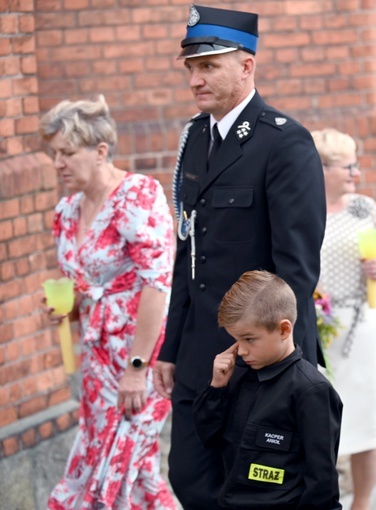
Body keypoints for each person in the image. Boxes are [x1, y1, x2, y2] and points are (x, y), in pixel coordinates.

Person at [153, 5, 327, 508]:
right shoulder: (195, 139)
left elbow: (295, 269)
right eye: (190, 68)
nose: (195, 80)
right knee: (189, 479)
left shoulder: (284, 142)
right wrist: (170, 347)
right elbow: (189, 256)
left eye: (208, 66)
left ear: (246, 66)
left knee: (258, 493)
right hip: (198, 359)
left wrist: (275, 359)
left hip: (258, 359)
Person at [40, 96, 176, 509]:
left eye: (67, 152)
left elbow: (158, 284)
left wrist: (137, 369)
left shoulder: (137, 195)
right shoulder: (67, 211)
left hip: (143, 357)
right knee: (131, 473)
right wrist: (70, 308)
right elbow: (84, 288)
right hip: (97, 360)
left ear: (100, 151)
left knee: (124, 464)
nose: (59, 163)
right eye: (54, 154)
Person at [310, 128, 376, 510]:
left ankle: (362, 504)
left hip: (363, 326)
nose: (356, 174)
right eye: (347, 166)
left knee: (367, 420)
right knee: (318, 422)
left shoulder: (363, 208)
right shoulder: (300, 209)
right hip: (314, 329)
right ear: (321, 170)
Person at [192, 270, 343, 509]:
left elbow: (321, 479)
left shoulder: (310, 390)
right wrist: (217, 387)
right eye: (236, 340)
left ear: (284, 330)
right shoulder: (236, 374)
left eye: (249, 339)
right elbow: (207, 435)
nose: (240, 351)